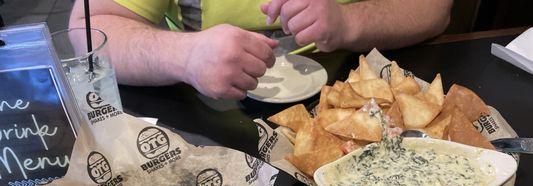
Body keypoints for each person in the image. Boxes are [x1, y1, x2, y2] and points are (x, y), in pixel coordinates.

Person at [69, 0, 452, 100]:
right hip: (206, 116)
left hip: (365, 97)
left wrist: (349, 22)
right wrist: (184, 55)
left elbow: (433, 10)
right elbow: (89, 28)